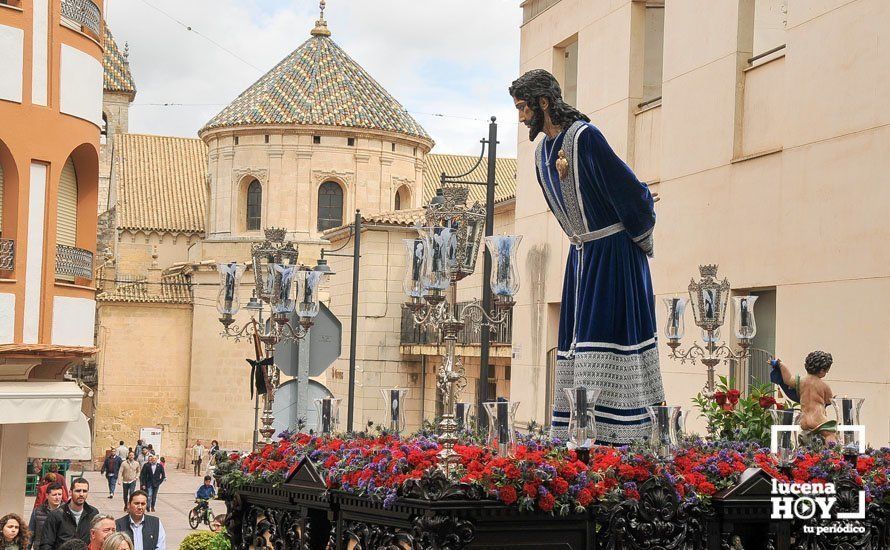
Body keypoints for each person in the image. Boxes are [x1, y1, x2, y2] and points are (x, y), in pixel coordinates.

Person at [509, 69, 665, 444]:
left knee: (607, 335)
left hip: (613, 258)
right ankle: (581, 433)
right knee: (583, 339)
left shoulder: (585, 136)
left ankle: (620, 434)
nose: (521, 117)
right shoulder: (542, 152)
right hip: (583, 256)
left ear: (544, 102)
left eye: (523, 107)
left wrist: (643, 207)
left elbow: (625, 187)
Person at [771, 351, 837, 444]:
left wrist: (781, 365)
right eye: (826, 371)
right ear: (822, 370)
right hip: (818, 419)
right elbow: (829, 400)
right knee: (831, 434)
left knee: (807, 446)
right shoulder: (824, 385)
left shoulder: (800, 381)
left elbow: (787, 379)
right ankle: (833, 453)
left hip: (804, 420)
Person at [39, 478, 99, 549]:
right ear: (70, 492)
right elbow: (46, 544)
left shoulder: (93, 513)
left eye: (85, 491)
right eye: (78, 491)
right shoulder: (56, 515)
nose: (81, 494)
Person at [28, 482, 63, 549]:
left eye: (60, 494)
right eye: (54, 495)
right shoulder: (37, 511)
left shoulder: (67, 511)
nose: (57, 497)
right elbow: (30, 533)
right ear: (47, 495)